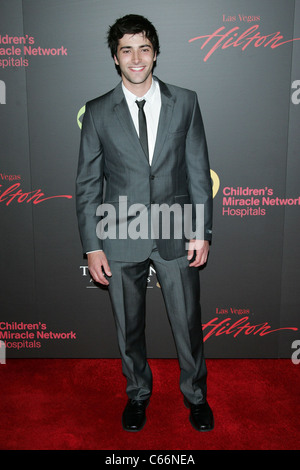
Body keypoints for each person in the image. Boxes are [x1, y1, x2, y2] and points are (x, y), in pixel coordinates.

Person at [76, 14, 213, 432]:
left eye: (144, 49)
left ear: (155, 54)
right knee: (128, 325)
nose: (136, 58)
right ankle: (137, 395)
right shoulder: (98, 111)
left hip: (175, 231)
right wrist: (93, 244)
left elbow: (198, 172)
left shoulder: (185, 101)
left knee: (187, 323)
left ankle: (196, 397)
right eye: (126, 50)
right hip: (119, 234)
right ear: (115, 58)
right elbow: (86, 184)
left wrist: (201, 230)